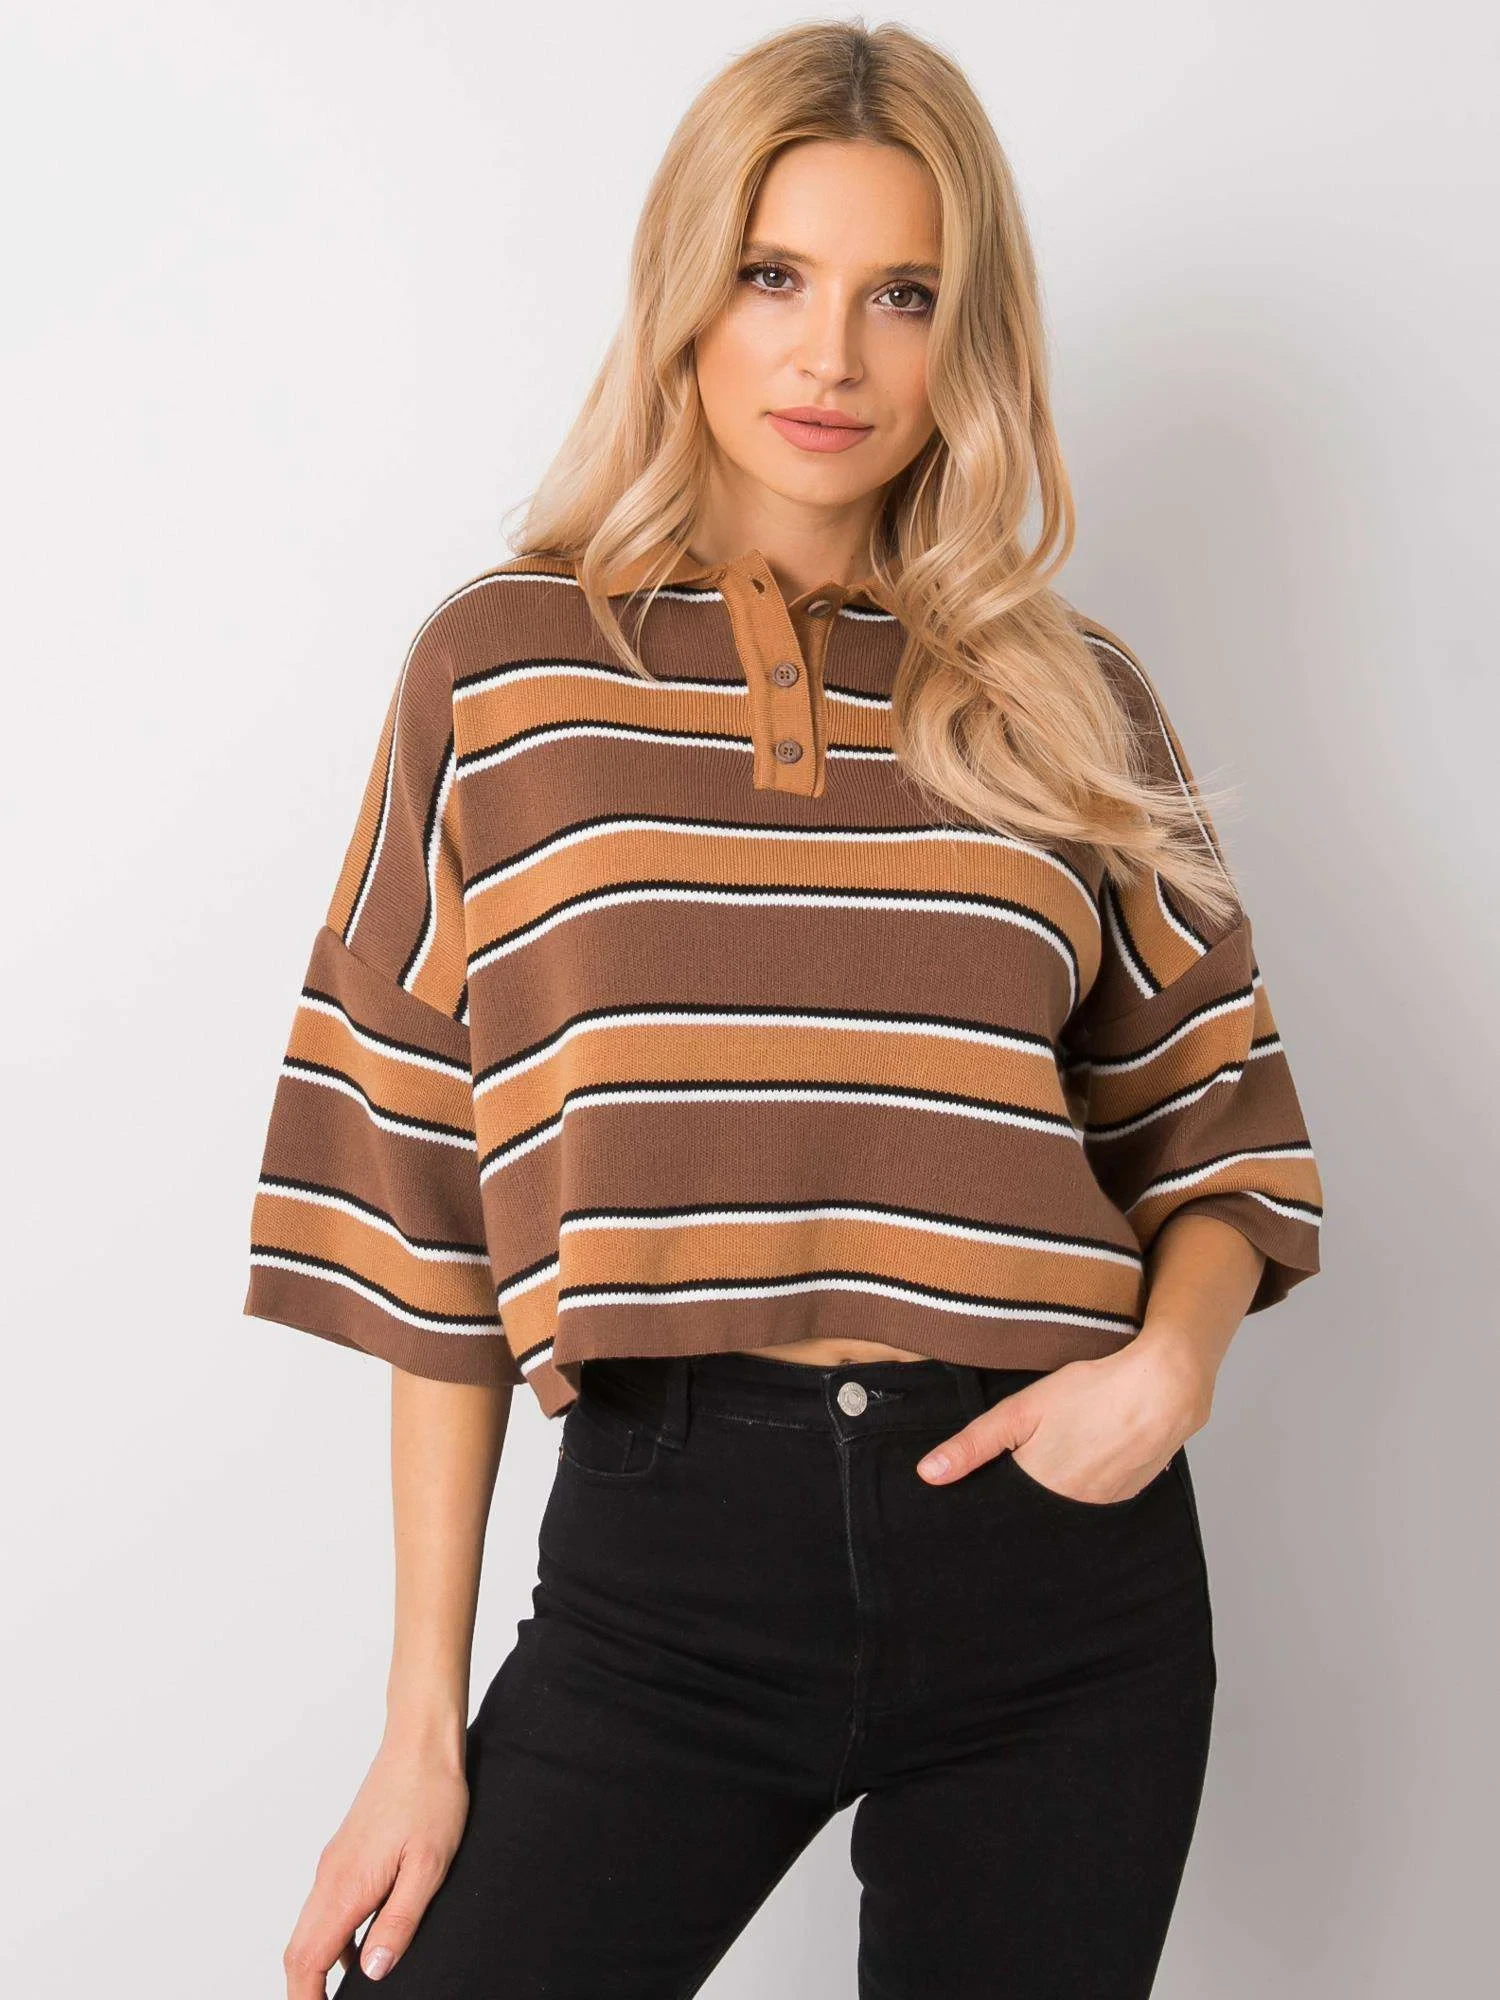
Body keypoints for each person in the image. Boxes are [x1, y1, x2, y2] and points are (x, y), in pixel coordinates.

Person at [244, 20, 1324, 1999]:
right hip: (667, 1569)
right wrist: (419, 1727)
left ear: (966, 338)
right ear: (686, 291)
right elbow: (429, 1218)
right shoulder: (503, 673)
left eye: (902, 294)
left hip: (1056, 1576)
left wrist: (1170, 1374)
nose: (833, 355)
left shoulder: (1064, 693)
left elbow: (1220, 1132)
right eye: (775, 275)